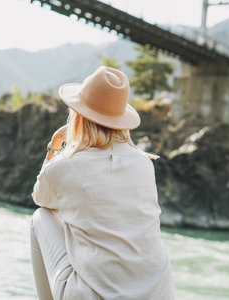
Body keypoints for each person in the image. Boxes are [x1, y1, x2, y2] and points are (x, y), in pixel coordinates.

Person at [30, 66, 175, 300]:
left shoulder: (63, 166)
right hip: (157, 293)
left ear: (77, 116)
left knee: (41, 217)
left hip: (93, 296)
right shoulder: (144, 163)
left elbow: (40, 197)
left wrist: (55, 145)